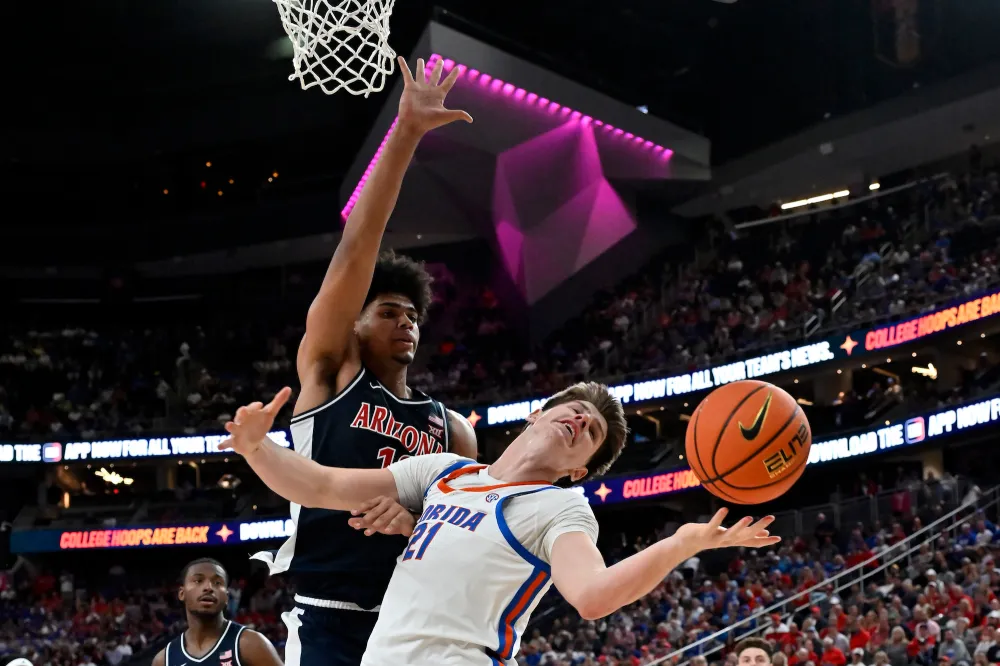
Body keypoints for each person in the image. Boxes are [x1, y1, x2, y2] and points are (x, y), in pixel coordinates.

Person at [220, 382, 780, 666]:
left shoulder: (560, 509)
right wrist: (256, 448)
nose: (580, 419)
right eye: (573, 409)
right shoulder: (445, 472)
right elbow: (322, 486)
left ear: (579, 468)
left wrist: (681, 543)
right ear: (538, 413)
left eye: (591, 432)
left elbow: (590, 596)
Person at [248, 56, 478, 666]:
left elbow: (464, 534)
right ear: (354, 321)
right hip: (331, 615)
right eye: (388, 311)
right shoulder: (331, 372)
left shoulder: (449, 427)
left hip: (416, 615)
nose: (405, 321)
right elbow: (357, 248)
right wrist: (404, 136)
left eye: (412, 314)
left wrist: (412, 515)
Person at [152, 559, 282, 666]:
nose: (208, 587)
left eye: (217, 582)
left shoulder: (250, 643)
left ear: (226, 597)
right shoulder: (164, 660)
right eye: (198, 581)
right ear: (182, 593)